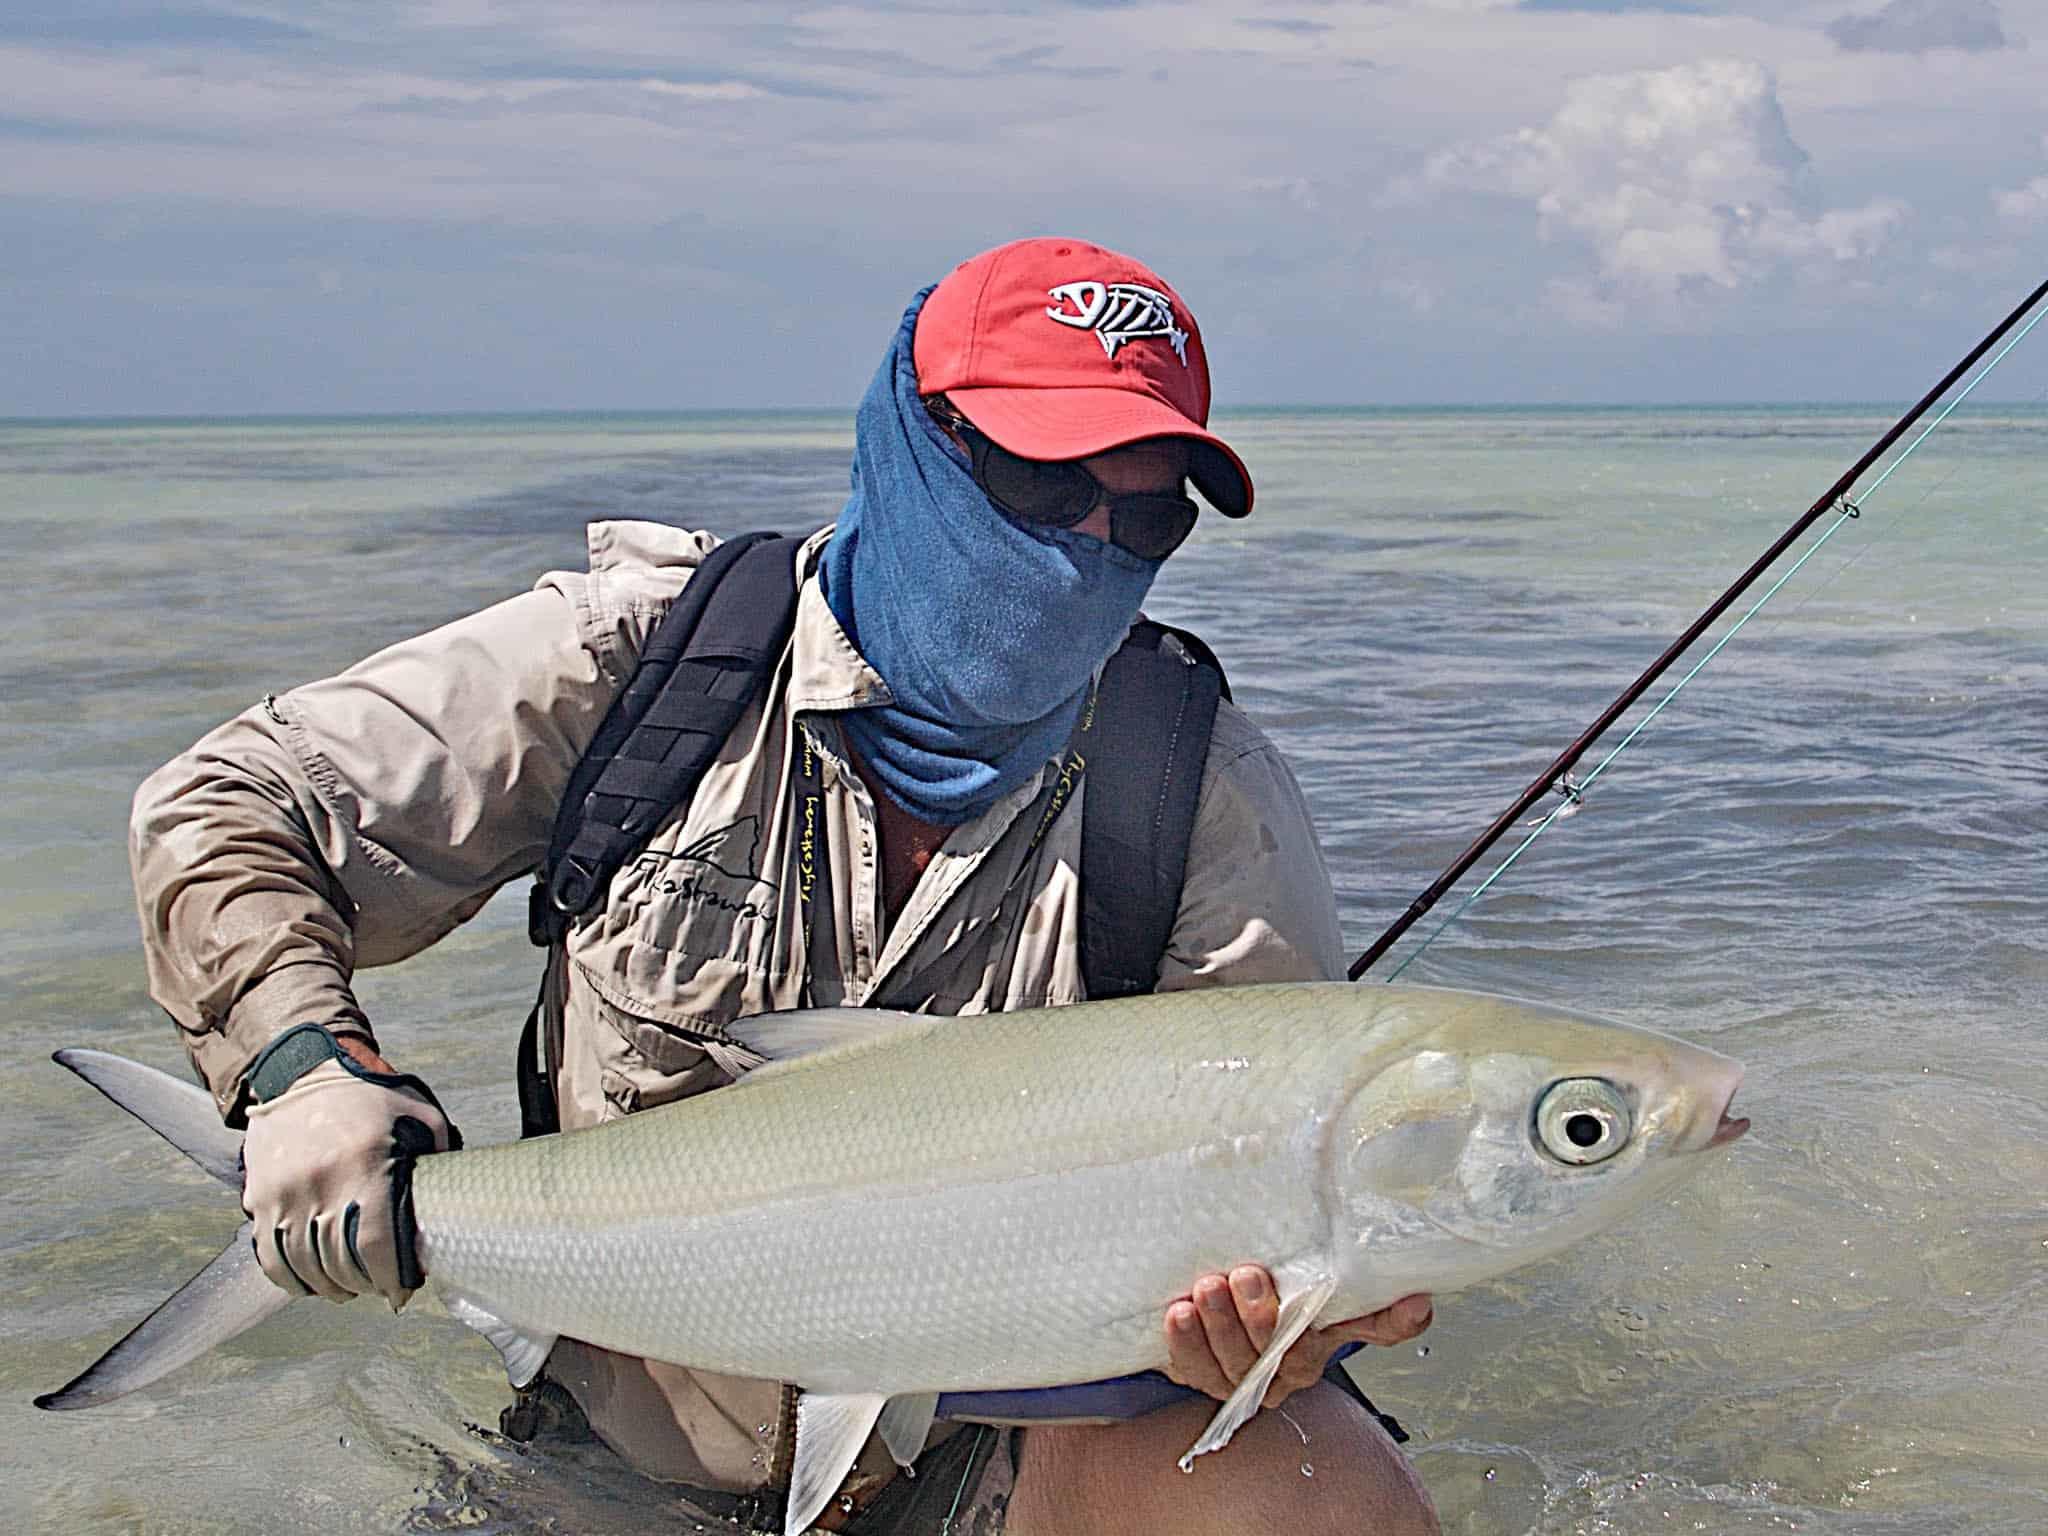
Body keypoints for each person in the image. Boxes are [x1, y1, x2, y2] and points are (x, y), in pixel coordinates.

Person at [130, 236, 1440, 1535]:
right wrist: (305, 1068)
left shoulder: (1198, 793)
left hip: (991, 1466)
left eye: (1146, 514)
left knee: (1318, 1491)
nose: (1087, 550)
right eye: (1042, 484)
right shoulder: (651, 661)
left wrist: (1269, 1340)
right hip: (617, 1448)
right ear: (914, 446)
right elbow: (227, 805)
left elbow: (1250, 1214)